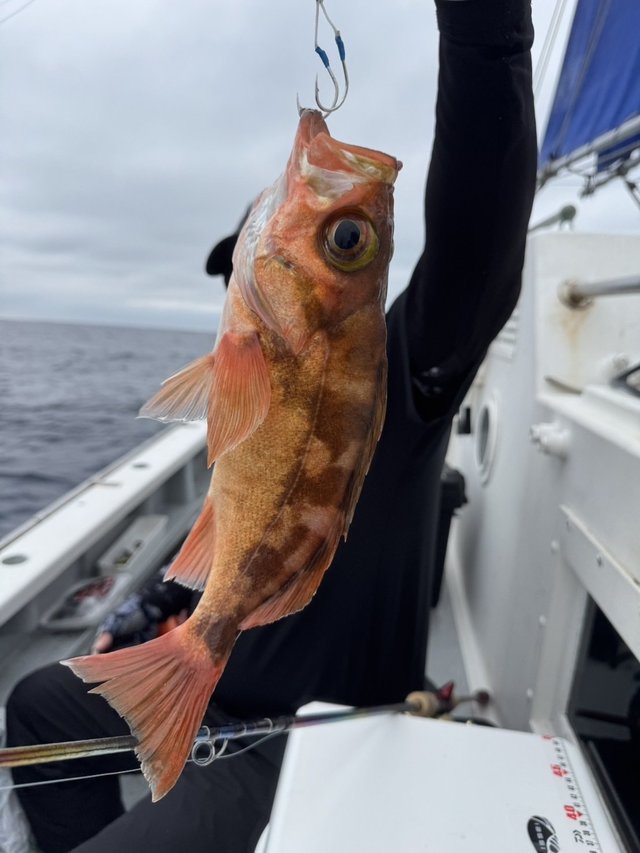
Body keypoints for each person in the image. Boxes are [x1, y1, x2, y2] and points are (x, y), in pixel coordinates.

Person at [6, 2, 537, 850]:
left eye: (343, 240)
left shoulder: (402, 363)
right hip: (212, 678)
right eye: (239, 265)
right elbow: (237, 517)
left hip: (307, 730)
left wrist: (485, 27)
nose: (246, 273)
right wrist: (161, 606)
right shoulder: (245, 391)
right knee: (37, 701)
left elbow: (480, 241)